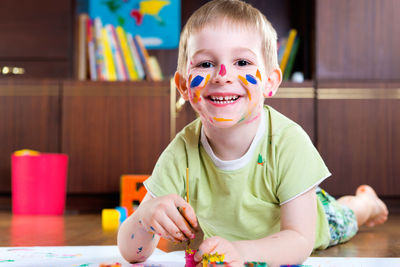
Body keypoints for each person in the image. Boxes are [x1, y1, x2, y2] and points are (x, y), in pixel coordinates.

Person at [117, 0, 389, 266]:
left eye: (243, 62)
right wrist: (144, 216)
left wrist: (240, 251)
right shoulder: (181, 151)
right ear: (184, 86)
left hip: (313, 217)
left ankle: (366, 203)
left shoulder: (288, 142)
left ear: (270, 82)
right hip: (236, 244)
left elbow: (299, 241)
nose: (222, 75)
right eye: (205, 64)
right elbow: (131, 252)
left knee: (346, 217)